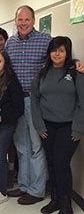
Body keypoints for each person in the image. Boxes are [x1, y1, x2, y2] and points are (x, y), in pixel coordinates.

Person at [31, 36, 83, 214]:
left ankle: (66, 204)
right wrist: (39, 125)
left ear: (67, 52)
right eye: (54, 50)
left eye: (61, 50)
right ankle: (55, 199)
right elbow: (34, 100)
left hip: (69, 127)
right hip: (47, 127)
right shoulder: (42, 72)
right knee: (51, 163)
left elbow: (82, 103)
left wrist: (78, 127)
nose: (57, 54)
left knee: (61, 162)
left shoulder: (76, 72)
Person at [5, 5, 51, 205]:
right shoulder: (10, 42)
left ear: (33, 20)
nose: (23, 23)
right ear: (15, 21)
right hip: (16, 102)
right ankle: (24, 185)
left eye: (27, 19)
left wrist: (76, 63)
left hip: (35, 100)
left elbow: (59, 60)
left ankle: (37, 189)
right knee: (21, 146)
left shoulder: (45, 41)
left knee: (36, 146)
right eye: (20, 19)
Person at [0, 51, 24, 205]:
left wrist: (3, 115)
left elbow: (18, 107)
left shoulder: (12, 82)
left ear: (5, 63)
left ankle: (3, 191)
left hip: (5, 124)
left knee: (0, 155)